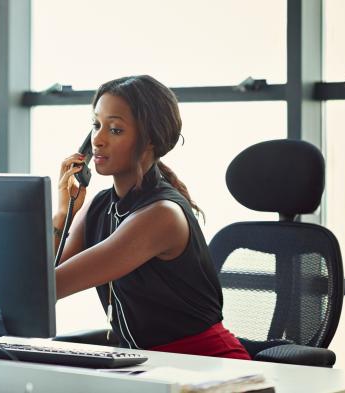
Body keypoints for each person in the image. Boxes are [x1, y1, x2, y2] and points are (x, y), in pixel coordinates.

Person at [53, 75, 250, 360]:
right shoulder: (99, 207)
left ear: (149, 140)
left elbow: (52, 286)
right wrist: (62, 213)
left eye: (115, 129)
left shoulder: (161, 216)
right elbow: (44, 277)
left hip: (209, 367)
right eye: (96, 125)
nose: (98, 139)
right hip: (148, 366)